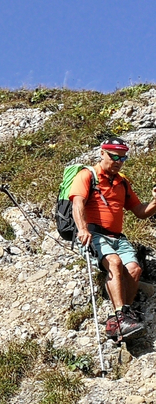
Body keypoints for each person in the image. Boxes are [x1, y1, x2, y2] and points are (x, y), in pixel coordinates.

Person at [71, 137, 156, 340]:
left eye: (123, 157)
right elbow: (78, 203)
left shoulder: (122, 183)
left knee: (134, 270)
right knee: (114, 262)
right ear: (102, 153)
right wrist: (82, 229)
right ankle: (120, 317)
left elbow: (140, 211)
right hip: (94, 234)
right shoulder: (86, 176)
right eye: (114, 156)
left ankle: (123, 317)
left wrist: (155, 201)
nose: (118, 161)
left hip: (117, 237)